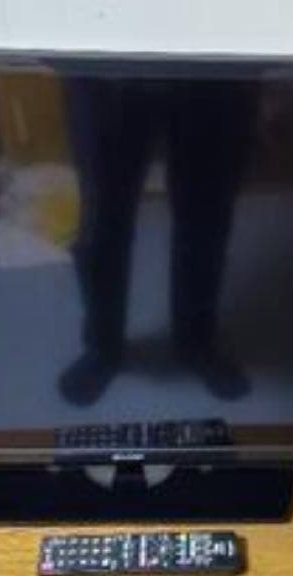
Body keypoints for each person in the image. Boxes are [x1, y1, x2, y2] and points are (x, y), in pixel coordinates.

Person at [58, 72, 258, 406]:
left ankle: (197, 339)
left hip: (211, 66)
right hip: (106, 66)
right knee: (103, 215)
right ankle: (103, 346)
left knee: (207, 214)